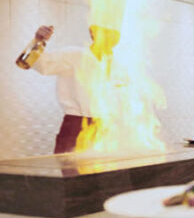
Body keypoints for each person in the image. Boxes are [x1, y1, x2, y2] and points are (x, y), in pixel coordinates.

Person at [16, 19, 121, 154]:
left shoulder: (117, 65)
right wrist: (38, 41)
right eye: (105, 32)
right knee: (72, 173)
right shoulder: (74, 55)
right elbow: (28, 62)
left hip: (106, 130)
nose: (110, 38)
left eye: (114, 34)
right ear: (93, 33)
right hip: (77, 127)